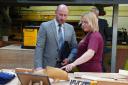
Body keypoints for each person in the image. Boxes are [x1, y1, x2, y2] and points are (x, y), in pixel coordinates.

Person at [34, 4, 77, 70]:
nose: (62, 18)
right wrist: (38, 66)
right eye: (60, 14)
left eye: (65, 15)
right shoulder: (45, 26)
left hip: (64, 67)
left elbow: (74, 47)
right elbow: (39, 47)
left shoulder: (70, 28)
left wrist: (69, 59)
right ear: (55, 13)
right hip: (47, 66)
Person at [91, 7, 109, 72]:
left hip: (100, 46)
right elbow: (107, 34)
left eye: (91, 13)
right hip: (92, 46)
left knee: (99, 62)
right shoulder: (88, 22)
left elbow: (108, 33)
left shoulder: (103, 22)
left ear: (97, 14)